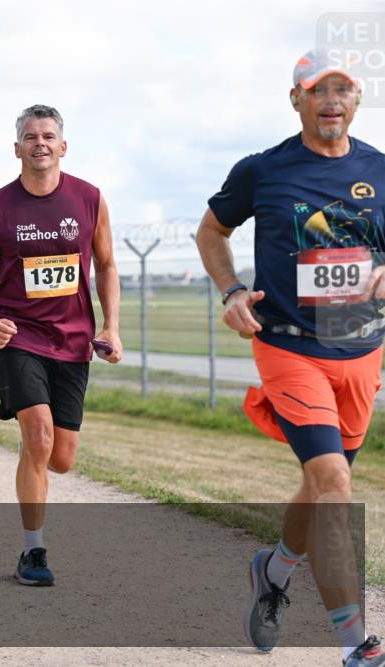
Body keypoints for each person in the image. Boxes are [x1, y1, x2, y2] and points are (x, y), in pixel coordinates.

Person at [196, 49, 385, 667]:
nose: (332, 100)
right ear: (296, 98)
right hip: (287, 345)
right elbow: (211, 232)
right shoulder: (264, 170)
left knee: (318, 482)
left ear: (357, 101)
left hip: (360, 345)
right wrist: (229, 292)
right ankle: (357, 643)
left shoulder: (380, 170)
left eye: (343, 90)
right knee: (334, 481)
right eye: (318, 90)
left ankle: (274, 571)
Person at [0, 104, 122, 587]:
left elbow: (108, 265)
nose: (40, 143)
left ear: (62, 146)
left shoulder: (89, 199)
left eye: (48, 135)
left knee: (61, 457)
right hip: (19, 337)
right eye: (30, 136)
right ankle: (33, 553)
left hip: (73, 342)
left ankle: (37, 463)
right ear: (17, 149)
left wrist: (111, 326)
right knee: (38, 435)